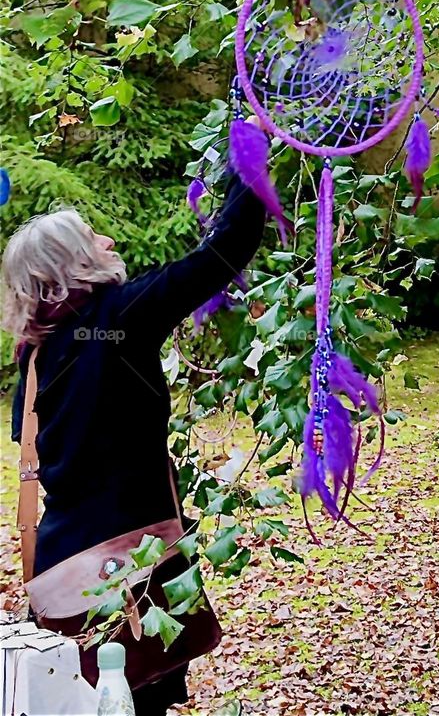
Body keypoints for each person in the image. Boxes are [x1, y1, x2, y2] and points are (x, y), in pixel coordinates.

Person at [3, 173, 266, 716]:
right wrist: (249, 156)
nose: (108, 241)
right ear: (71, 263)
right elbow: (224, 251)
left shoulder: (36, 355)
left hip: (62, 568)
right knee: (133, 700)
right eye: (92, 237)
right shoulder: (120, 317)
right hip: (133, 563)